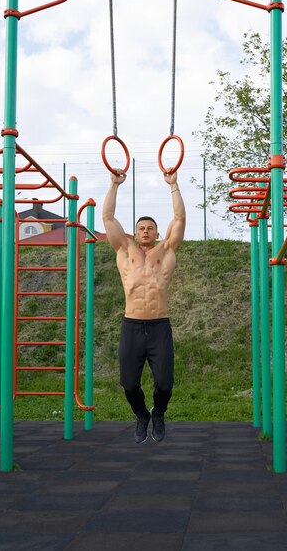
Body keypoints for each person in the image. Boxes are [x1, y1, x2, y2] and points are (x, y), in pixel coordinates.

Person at [102, 167, 186, 443]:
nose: (146, 231)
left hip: (160, 325)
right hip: (132, 325)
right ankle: (141, 415)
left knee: (165, 384)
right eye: (142, 228)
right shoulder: (125, 251)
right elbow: (107, 217)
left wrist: (173, 184)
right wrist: (114, 184)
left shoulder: (167, 251)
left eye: (150, 228)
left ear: (157, 232)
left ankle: (158, 412)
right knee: (128, 384)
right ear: (135, 232)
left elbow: (179, 217)